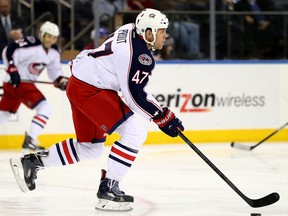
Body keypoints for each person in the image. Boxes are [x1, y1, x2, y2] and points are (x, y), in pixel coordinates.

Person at [9, 8, 184, 212]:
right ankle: (109, 187)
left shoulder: (129, 29)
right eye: (162, 31)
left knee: (90, 148)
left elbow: (135, 88)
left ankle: (33, 162)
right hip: (91, 90)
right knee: (135, 131)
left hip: (81, 84)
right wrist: (162, 117)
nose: (166, 35)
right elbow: (134, 96)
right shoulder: (139, 55)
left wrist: (161, 113)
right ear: (148, 33)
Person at [0, 21, 69, 153]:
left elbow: (55, 73)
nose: (51, 40)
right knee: (45, 108)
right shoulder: (31, 44)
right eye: (48, 36)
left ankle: (30, 140)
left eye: (54, 38)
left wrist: (61, 81)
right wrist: (12, 68)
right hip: (20, 82)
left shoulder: (54, 52)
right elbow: (9, 50)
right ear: (42, 34)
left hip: (15, 84)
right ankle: (30, 140)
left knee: (4, 114)